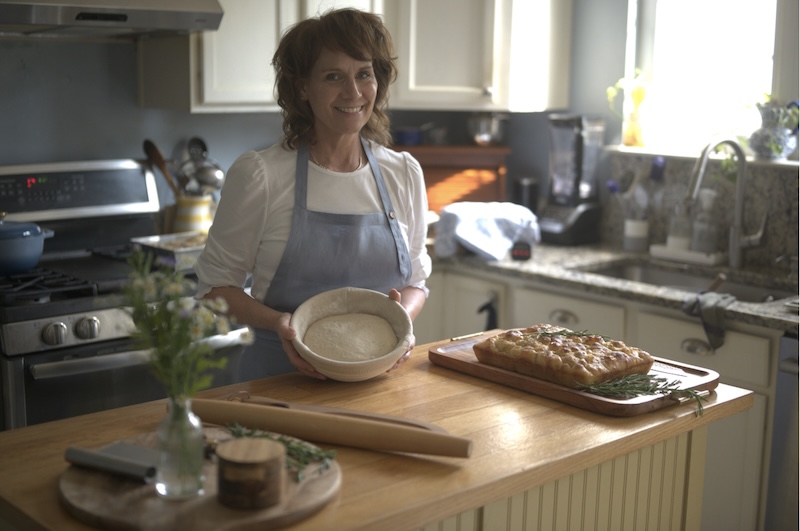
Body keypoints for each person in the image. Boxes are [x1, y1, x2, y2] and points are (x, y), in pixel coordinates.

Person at [194, 8, 432, 380]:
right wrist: (281, 324)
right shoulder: (261, 175)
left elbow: (415, 282)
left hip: (382, 385)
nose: (353, 92)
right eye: (333, 76)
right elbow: (214, 288)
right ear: (303, 87)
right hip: (279, 382)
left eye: (364, 74)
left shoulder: (402, 173)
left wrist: (401, 326)